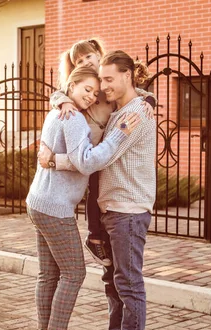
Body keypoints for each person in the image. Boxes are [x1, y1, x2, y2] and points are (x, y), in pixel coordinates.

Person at [39, 50, 157, 330]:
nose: (102, 87)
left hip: (128, 209)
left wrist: (53, 161)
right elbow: (70, 89)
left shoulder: (133, 115)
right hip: (112, 208)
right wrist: (61, 98)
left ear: (127, 76)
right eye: (100, 80)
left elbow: (97, 160)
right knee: (113, 281)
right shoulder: (122, 107)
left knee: (128, 282)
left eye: (108, 79)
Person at [40, 38, 156, 269]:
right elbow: (58, 94)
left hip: (110, 148)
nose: (86, 62)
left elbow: (137, 90)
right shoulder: (83, 86)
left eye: (88, 57)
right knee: (93, 187)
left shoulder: (107, 87)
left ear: (98, 55)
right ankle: (94, 236)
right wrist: (63, 102)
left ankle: (98, 237)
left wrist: (150, 100)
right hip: (93, 148)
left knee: (100, 189)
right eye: (80, 61)